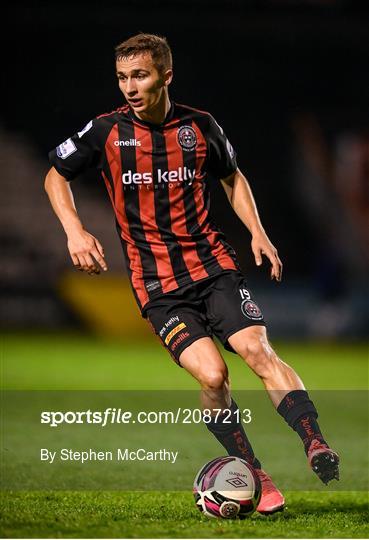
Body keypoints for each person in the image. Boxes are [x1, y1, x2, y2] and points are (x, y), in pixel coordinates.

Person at [44, 33, 339, 514]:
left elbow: (232, 176)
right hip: (158, 285)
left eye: (139, 75)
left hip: (212, 267)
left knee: (256, 349)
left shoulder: (200, 127)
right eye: (122, 78)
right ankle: (254, 473)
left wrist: (258, 232)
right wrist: (74, 231)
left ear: (166, 75)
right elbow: (56, 173)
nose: (130, 88)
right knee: (213, 374)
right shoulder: (105, 132)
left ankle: (315, 443)